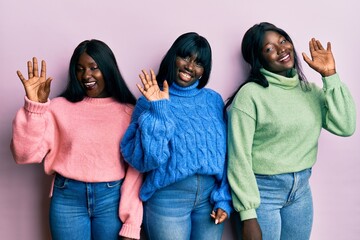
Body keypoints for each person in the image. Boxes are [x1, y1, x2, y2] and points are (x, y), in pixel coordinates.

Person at [226, 22, 357, 240]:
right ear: (258, 60)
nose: (281, 49)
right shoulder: (250, 95)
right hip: (263, 192)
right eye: (269, 49)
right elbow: (238, 157)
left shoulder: (309, 92)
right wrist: (248, 214)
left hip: (301, 192)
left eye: (283, 41)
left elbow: (346, 125)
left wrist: (330, 75)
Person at [10, 39, 143, 240]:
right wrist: (34, 108)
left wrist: (132, 222)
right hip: (67, 198)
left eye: (93, 67)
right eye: (80, 69)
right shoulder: (57, 107)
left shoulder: (128, 113)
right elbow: (24, 155)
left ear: (107, 69)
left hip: (112, 199)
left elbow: (135, 172)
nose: (86, 75)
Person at [120, 32, 233, 240]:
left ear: (203, 71)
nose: (190, 66)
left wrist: (224, 198)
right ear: (173, 57)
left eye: (198, 62)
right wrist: (159, 111)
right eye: (185, 57)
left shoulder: (213, 100)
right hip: (167, 200)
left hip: (209, 200)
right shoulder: (149, 100)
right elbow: (144, 161)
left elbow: (227, 155)